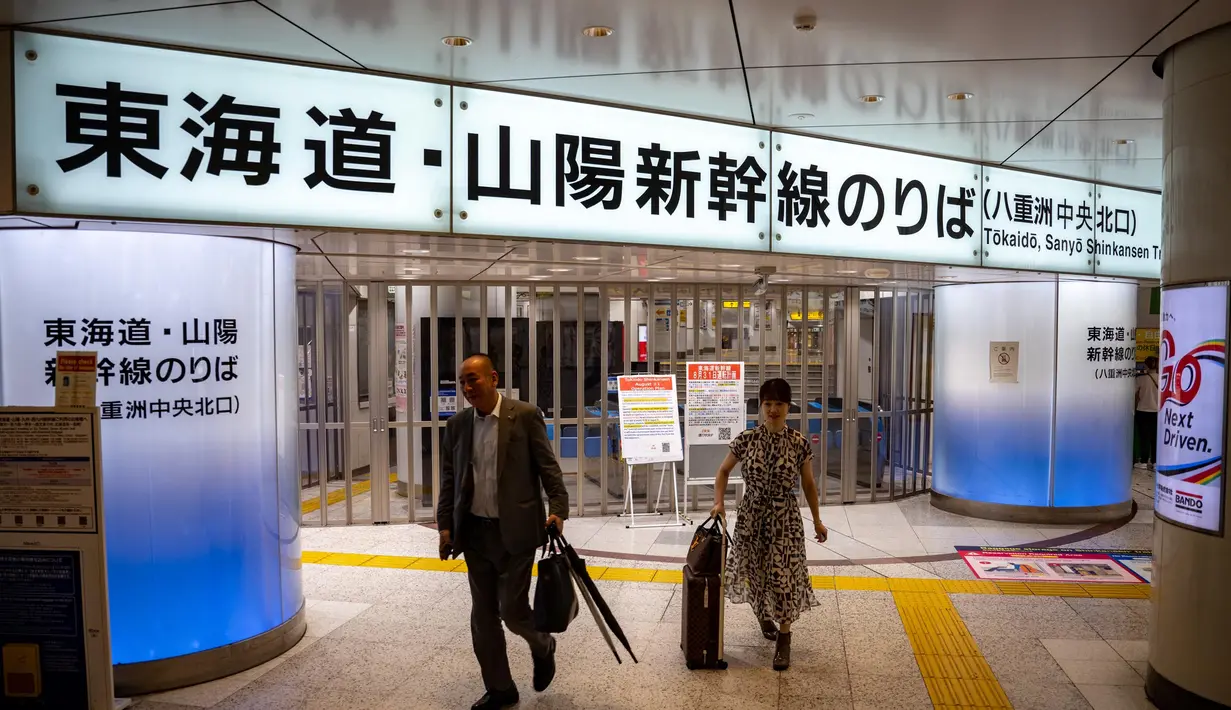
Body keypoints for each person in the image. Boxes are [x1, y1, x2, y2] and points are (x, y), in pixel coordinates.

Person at [437, 353, 569, 710]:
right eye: (462, 381)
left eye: (473, 379)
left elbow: (548, 468)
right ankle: (500, 689)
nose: (466, 388)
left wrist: (558, 509)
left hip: (518, 530)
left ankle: (543, 645)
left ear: (493, 378)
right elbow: (450, 480)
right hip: (476, 535)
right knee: (483, 617)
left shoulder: (524, 416)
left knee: (511, 611)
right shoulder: (457, 426)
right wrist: (445, 526)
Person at [710, 378, 828, 671]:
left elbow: (809, 484)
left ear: (789, 407)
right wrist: (719, 502)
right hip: (751, 517)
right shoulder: (746, 439)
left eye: (779, 404)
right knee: (756, 572)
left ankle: (784, 638)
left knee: (783, 576)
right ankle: (763, 616)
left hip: (784, 519)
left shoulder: (798, 443)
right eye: (768, 403)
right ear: (761, 406)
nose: (773, 409)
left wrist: (817, 520)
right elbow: (723, 471)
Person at [1135, 356, 1160, 470]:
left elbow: (1133, 394)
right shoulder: (1162, 378)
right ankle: (1155, 462)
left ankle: (1144, 461)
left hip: (1143, 411)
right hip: (1157, 412)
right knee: (1155, 437)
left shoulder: (1140, 379)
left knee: (1144, 437)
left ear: (1145, 365)